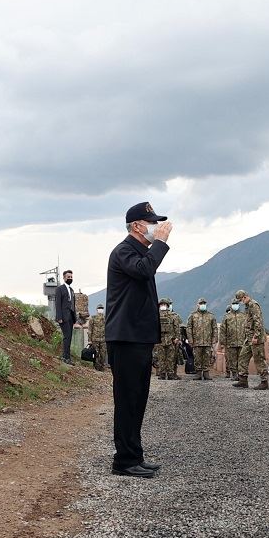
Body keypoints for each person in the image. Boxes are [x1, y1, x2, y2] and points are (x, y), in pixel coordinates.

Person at [105, 202, 172, 478]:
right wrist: (162, 243)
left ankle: (135, 455)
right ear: (136, 226)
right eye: (151, 222)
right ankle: (123, 461)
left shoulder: (139, 252)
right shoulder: (123, 252)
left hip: (138, 338)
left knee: (138, 398)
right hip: (125, 338)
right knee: (127, 399)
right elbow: (145, 270)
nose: (155, 227)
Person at [233, 290, 269, 389]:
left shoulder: (253, 305)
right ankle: (243, 380)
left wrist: (256, 336)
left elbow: (258, 321)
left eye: (241, 300)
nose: (241, 302)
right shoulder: (247, 306)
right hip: (249, 338)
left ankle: (264, 382)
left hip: (255, 339)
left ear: (245, 297)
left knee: (259, 360)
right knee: (242, 357)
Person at [187, 298, 218, 381]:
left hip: (207, 341)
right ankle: (198, 374)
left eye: (204, 303)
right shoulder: (193, 315)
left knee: (207, 357)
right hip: (196, 341)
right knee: (197, 357)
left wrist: (215, 338)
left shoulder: (211, 316)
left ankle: (206, 373)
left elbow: (214, 328)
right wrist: (190, 339)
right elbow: (189, 328)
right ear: (198, 304)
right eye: (201, 303)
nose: (202, 305)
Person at [53, 269, 79, 364]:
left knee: (69, 337)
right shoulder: (59, 289)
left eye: (71, 277)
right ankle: (66, 358)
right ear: (64, 278)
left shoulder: (72, 290)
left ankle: (66, 357)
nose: (70, 278)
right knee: (67, 336)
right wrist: (59, 317)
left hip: (71, 318)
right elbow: (57, 304)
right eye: (68, 277)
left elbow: (73, 305)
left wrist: (75, 319)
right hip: (63, 317)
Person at [155, 298, 183, 380]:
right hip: (160, 339)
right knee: (161, 357)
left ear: (167, 306)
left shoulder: (173, 316)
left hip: (171, 339)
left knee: (171, 358)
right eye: (161, 304)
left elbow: (176, 328)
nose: (163, 306)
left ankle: (171, 374)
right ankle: (162, 374)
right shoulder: (156, 315)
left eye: (164, 304)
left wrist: (177, 338)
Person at [221, 301, 245, 380]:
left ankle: (240, 374)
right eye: (234, 304)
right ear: (231, 305)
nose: (235, 305)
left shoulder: (243, 316)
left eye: (236, 304)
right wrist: (223, 342)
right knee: (232, 359)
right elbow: (223, 330)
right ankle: (234, 374)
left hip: (242, 342)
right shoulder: (227, 317)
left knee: (241, 359)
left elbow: (247, 328)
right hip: (231, 342)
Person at [87, 305, 108, 371]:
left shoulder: (106, 318)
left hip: (103, 340)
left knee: (103, 354)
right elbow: (90, 329)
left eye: (102, 308)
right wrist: (89, 340)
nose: (100, 309)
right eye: (99, 308)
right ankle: (96, 368)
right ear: (97, 309)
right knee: (95, 354)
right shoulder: (93, 318)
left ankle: (102, 367)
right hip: (95, 339)